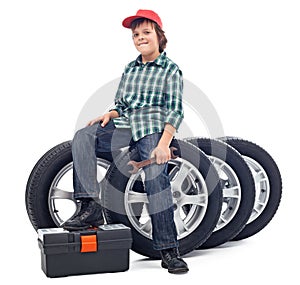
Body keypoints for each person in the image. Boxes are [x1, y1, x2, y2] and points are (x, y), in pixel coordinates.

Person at [62, 9, 188, 274]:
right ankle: (89, 206)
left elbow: (175, 110)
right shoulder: (130, 68)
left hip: (153, 128)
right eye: (136, 34)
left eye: (146, 32)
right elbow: (123, 105)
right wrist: (110, 113)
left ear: (159, 36)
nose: (140, 38)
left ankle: (168, 250)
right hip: (125, 125)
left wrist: (164, 143)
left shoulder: (170, 70)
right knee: (84, 135)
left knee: (156, 180)